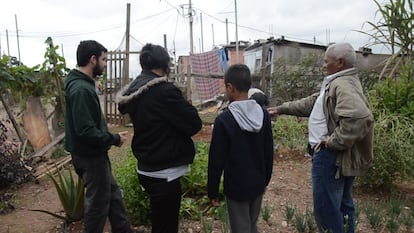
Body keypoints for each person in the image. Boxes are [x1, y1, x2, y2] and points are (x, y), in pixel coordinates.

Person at [268, 42, 374, 233]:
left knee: (327, 210)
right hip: (338, 157)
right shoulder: (339, 82)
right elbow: (312, 103)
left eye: (326, 61)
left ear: (339, 62)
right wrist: (281, 109)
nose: (323, 65)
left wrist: (332, 142)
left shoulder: (342, 84)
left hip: (331, 158)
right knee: (342, 206)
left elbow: (359, 116)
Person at [116, 43, 202, 233]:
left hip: (147, 166)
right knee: (167, 226)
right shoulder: (163, 91)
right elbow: (194, 123)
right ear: (165, 66)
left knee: (160, 221)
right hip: (164, 171)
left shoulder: (137, 88)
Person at [64, 40, 134, 233]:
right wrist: (113, 138)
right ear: (92, 59)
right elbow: (85, 131)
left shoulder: (83, 84)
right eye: (104, 60)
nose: (105, 64)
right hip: (90, 157)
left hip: (94, 155)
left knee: (113, 195)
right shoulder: (81, 90)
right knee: (97, 205)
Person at [208, 64, 274, 233]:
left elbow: (216, 159)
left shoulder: (224, 120)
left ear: (230, 88)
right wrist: (265, 179)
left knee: (240, 228)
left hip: (237, 186)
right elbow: (268, 151)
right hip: (258, 183)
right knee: (251, 225)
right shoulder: (263, 114)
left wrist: (213, 190)